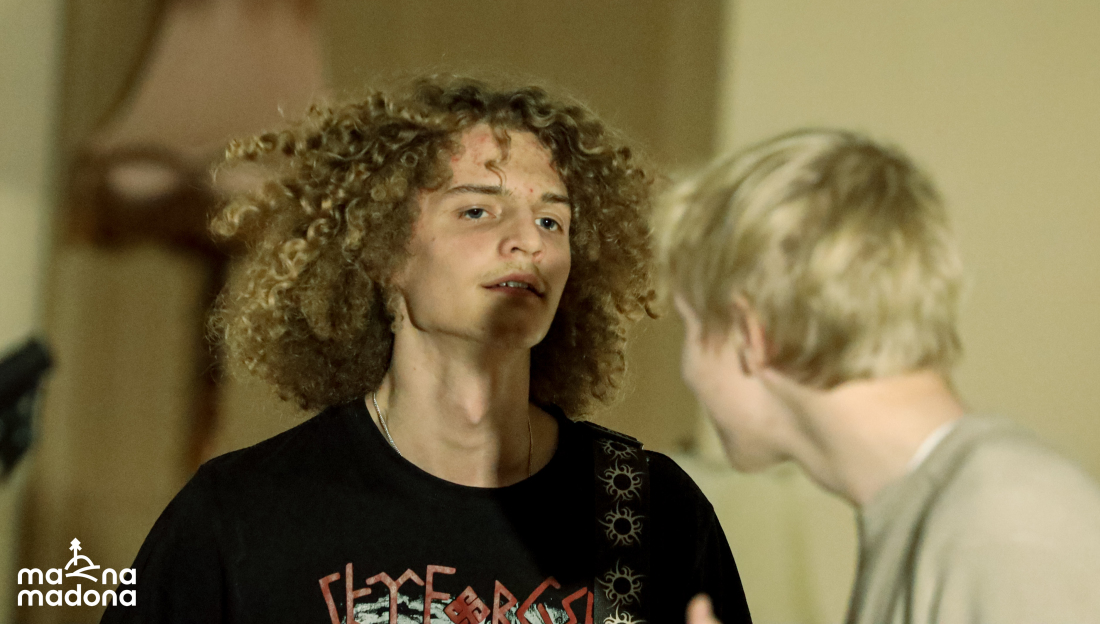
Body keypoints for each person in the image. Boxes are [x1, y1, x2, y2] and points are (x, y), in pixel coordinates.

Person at [102, 76, 753, 624]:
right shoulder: (242, 515)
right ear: (385, 251)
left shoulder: (649, 509)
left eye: (551, 220)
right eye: (477, 211)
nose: (528, 241)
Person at [658, 129, 1100, 624]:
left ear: (751, 336)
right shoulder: (929, 516)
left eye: (689, 327)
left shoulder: (1008, 530)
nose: (688, 371)